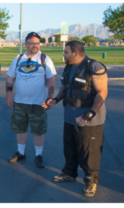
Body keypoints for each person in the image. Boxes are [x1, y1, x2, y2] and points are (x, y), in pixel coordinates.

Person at [43, 40, 108, 198]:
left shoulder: (94, 67)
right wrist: (55, 100)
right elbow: (66, 87)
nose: (63, 55)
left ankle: (90, 181)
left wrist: (90, 113)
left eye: (66, 52)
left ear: (76, 53)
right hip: (70, 116)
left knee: (88, 151)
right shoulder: (69, 67)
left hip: (89, 119)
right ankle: (69, 173)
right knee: (70, 148)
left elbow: (102, 92)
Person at [6, 32, 56, 168]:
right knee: (20, 128)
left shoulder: (45, 59)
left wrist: (49, 99)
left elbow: (51, 82)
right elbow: (10, 78)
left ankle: (38, 155)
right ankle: (20, 153)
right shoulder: (18, 58)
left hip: (38, 103)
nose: (35, 45)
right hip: (20, 102)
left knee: (38, 130)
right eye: (32, 43)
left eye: (37, 43)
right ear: (25, 44)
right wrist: (8, 95)